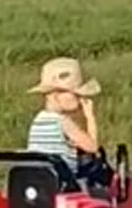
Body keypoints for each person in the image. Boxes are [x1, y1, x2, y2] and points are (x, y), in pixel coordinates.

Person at [25, 57, 113, 193]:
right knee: (100, 191)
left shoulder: (39, 120)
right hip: (63, 185)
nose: (80, 99)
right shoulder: (63, 122)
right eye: (76, 95)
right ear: (57, 94)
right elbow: (93, 147)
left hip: (39, 182)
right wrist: (90, 116)